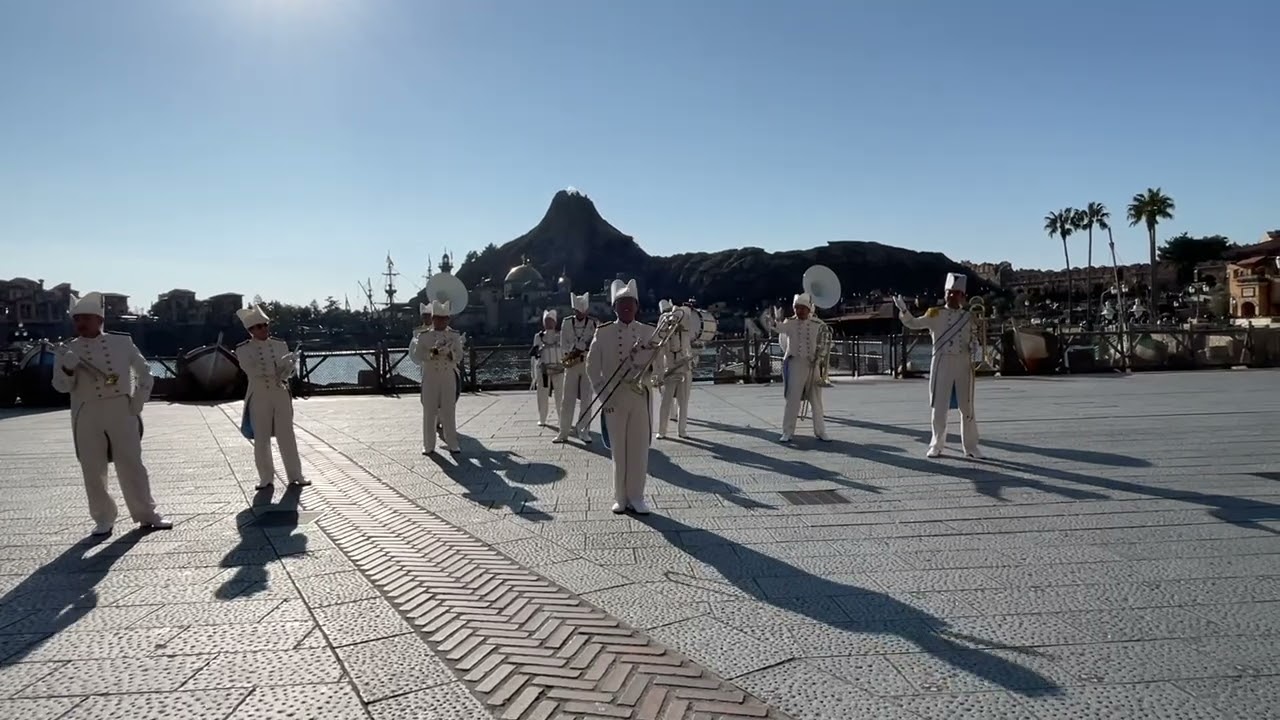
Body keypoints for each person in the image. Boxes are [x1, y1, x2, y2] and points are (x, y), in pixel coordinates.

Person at [51, 292, 172, 535]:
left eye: (86, 318)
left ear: (99, 319)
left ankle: (146, 513)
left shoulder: (122, 342)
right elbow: (60, 386)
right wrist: (68, 368)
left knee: (132, 464)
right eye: (77, 319)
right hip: (86, 412)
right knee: (92, 468)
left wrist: (137, 401)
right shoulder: (67, 350)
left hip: (121, 409)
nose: (81, 323)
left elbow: (145, 373)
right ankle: (103, 517)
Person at [587, 279, 665, 514]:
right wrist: (604, 395)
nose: (627, 307)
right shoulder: (603, 333)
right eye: (622, 303)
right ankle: (620, 497)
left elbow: (659, 365)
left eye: (631, 303)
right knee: (618, 450)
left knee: (639, 449)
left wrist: (654, 376)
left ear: (637, 306)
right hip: (614, 397)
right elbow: (592, 368)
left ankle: (637, 497)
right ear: (614, 308)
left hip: (639, 396)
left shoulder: (649, 332)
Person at [894, 272, 981, 458]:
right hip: (942, 362)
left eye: (956, 293)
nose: (952, 295)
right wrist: (904, 311)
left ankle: (971, 446)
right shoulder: (935, 314)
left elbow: (973, 338)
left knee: (967, 406)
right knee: (939, 406)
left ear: (962, 296)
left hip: (963, 362)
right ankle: (936, 444)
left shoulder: (968, 317)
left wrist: (975, 346)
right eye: (949, 292)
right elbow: (914, 323)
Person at [234, 304, 310, 489]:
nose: (264, 329)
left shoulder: (279, 345)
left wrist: (290, 366)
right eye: (259, 326)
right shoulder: (243, 349)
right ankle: (266, 477)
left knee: (287, 435)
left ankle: (295, 475)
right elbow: (252, 370)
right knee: (261, 438)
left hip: (280, 393)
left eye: (265, 325)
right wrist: (278, 369)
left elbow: (287, 374)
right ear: (251, 330)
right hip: (259, 395)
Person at [411, 299, 464, 454]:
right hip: (431, 376)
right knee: (429, 411)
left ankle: (452, 442)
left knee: (449, 410)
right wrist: (433, 352)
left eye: (444, 318)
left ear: (448, 319)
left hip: (447, 376)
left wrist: (450, 353)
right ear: (433, 318)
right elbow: (418, 354)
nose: (441, 321)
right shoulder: (424, 336)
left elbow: (460, 355)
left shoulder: (454, 336)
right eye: (438, 318)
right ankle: (428, 445)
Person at [778, 293, 831, 443]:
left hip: (813, 365)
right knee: (792, 399)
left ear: (809, 309)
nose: (799, 311)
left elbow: (826, 343)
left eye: (802, 308)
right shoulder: (790, 322)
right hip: (795, 363)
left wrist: (819, 357)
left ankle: (820, 431)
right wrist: (775, 320)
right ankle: (787, 431)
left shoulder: (818, 324)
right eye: (797, 308)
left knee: (816, 400)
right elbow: (778, 328)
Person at [554, 292, 598, 444]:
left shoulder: (593, 323)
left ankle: (584, 430)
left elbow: (596, 344)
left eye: (583, 311)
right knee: (567, 399)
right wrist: (573, 350)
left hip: (586, 362)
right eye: (578, 311)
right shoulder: (567, 322)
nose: (580, 313)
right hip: (572, 362)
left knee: (587, 398)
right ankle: (563, 432)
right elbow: (563, 343)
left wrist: (584, 348)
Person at [655, 299, 692, 439]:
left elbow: (684, 313)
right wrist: (659, 373)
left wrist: (674, 313)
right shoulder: (664, 325)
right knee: (665, 402)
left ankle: (682, 430)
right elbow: (659, 349)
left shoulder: (684, 318)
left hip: (684, 367)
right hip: (670, 368)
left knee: (683, 402)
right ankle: (662, 431)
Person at [530, 309, 564, 427]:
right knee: (542, 394)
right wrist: (534, 374)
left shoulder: (561, 335)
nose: (549, 323)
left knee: (560, 394)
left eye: (551, 321)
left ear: (555, 322)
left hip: (559, 368)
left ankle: (562, 418)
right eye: (546, 321)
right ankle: (542, 418)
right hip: (544, 370)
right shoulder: (538, 337)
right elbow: (534, 356)